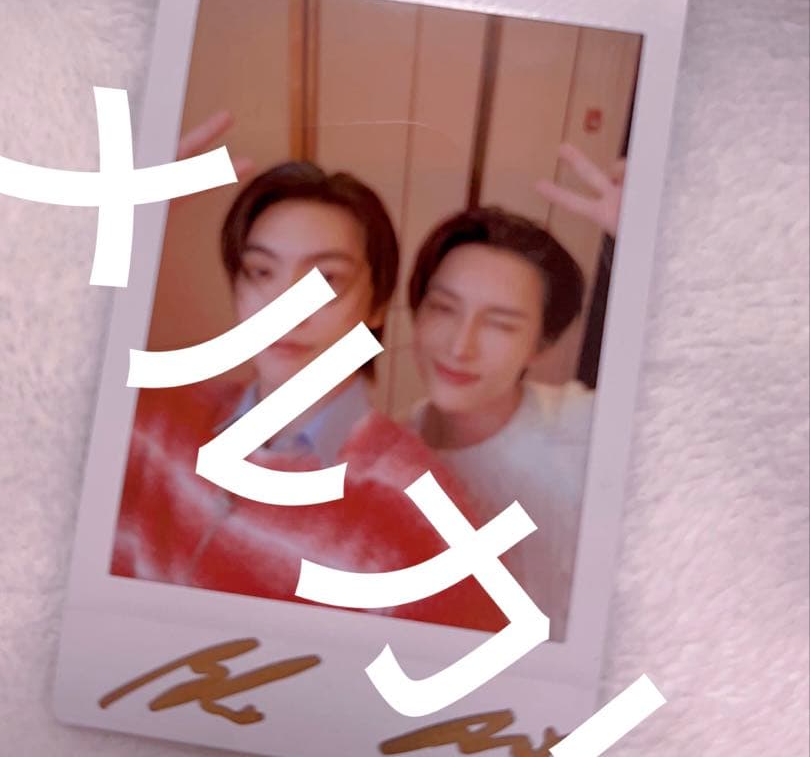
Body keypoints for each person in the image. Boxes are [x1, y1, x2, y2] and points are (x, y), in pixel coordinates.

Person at [111, 152, 504, 633]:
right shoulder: (150, 419)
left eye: (328, 279)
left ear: (378, 304)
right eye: (261, 272)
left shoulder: (419, 511)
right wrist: (101, 241)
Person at [407, 147, 623, 640]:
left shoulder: (586, 429)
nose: (460, 347)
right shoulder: (396, 447)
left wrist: (671, 252)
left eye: (501, 324)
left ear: (540, 345)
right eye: (443, 309)